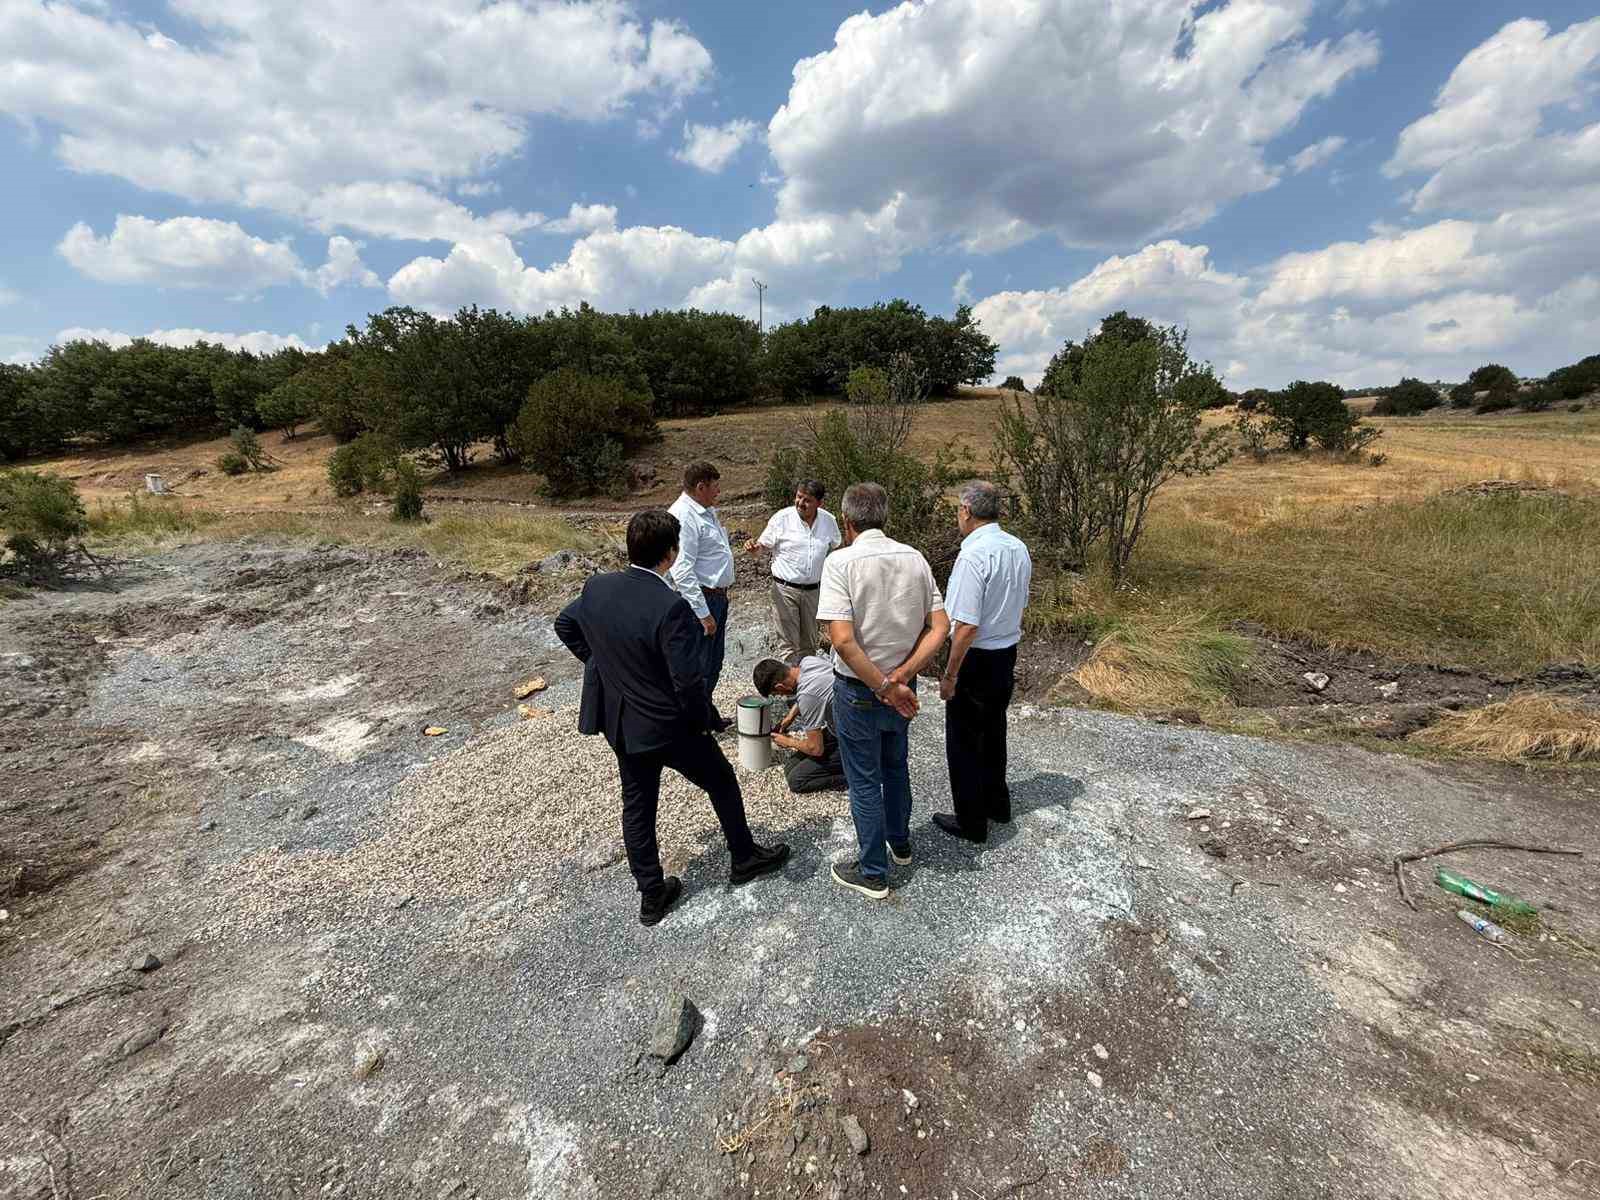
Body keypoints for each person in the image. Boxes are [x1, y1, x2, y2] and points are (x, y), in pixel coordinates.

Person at [554, 508, 790, 926]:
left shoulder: (597, 587)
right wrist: (706, 720)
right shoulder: (671, 607)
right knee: (721, 780)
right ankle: (744, 857)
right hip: (669, 726)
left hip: (622, 723)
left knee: (638, 807)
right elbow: (688, 682)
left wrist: (601, 664)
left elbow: (565, 624)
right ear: (670, 553)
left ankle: (652, 895)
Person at [816, 482, 949, 900]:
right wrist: (900, 678)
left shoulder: (840, 562)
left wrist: (883, 685)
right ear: (884, 516)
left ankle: (873, 871)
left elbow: (842, 640)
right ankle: (900, 843)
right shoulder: (915, 558)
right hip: (902, 687)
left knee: (863, 781)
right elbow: (940, 627)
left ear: (846, 521)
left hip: (861, 689)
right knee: (895, 766)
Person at [934, 481, 1033, 845]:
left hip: (976, 657)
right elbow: (1021, 601)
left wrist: (950, 675)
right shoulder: (1017, 547)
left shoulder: (973, 555)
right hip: (1006, 652)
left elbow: (965, 626)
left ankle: (971, 821)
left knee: (963, 741)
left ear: (966, 511)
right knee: (993, 731)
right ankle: (997, 804)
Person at [744, 480, 841, 665]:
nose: (800, 503)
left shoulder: (829, 521)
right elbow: (762, 548)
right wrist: (754, 549)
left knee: (809, 643)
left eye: (807, 500)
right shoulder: (782, 518)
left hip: (814, 591)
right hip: (785, 589)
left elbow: (836, 548)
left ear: (819, 503)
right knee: (788, 645)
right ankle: (791, 680)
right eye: (798, 497)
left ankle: (807, 678)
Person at [669, 461, 736, 729]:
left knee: (712, 663)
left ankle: (705, 715)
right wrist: (703, 613)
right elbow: (682, 570)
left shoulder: (705, 511)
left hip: (716, 597)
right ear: (701, 487)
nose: (719, 491)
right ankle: (693, 724)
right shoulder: (685, 516)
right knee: (698, 666)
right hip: (702, 599)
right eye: (715, 486)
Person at [753, 655, 847, 794]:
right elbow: (809, 692)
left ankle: (855, 775)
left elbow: (816, 749)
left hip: (854, 739)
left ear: (780, 686)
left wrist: (788, 741)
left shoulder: (807, 697)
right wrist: (789, 718)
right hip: (841, 726)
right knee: (790, 766)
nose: (781, 696)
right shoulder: (808, 662)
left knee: (797, 780)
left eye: (777, 693)